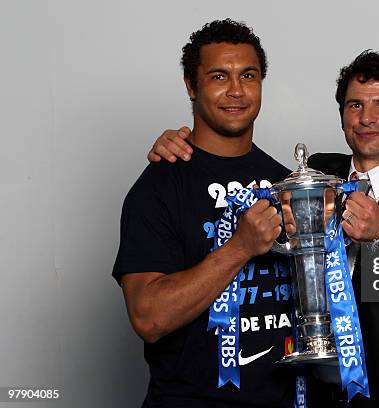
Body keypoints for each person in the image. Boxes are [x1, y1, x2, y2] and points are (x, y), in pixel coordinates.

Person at [147, 50, 379, 407]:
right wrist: (184, 147)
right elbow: (240, 171)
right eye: (355, 106)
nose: (367, 118)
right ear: (341, 117)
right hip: (315, 397)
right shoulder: (315, 175)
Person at [112, 19, 295, 407]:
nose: (236, 90)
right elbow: (148, 317)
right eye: (218, 76)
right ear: (191, 86)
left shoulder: (287, 183)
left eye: (248, 75)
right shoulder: (158, 187)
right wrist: (240, 247)